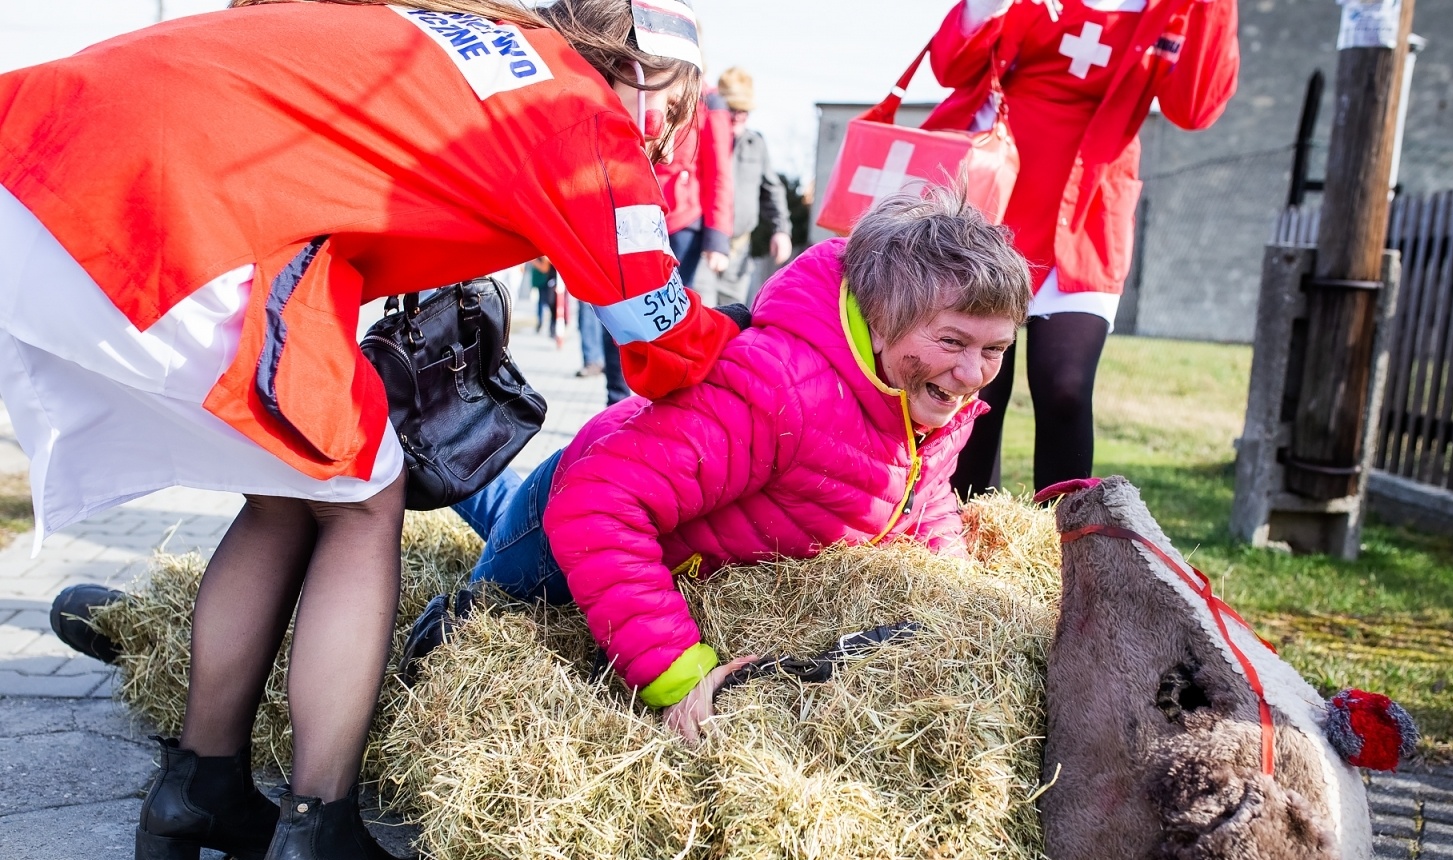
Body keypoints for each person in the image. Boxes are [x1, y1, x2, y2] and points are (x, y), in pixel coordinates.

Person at [8, 0, 739, 860]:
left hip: (52, 148)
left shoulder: (483, 41)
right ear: (648, 71)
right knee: (362, 502)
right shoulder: (577, 113)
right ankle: (319, 835)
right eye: (675, 104)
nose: (669, 130)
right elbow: (660, 333)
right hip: (176, 204)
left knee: (288, 494)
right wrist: (759, 346)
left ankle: (199, 789)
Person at [403, 188, 1031, 744]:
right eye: (952, 341)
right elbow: (595, 506)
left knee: (498, 505)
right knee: (492, 610)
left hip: (660, 521)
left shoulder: (920, 395)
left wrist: (952, 592)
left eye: (995, 349)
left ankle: (456, 467)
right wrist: (677, 674)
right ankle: (415, 450)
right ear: (883, 318)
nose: (974, 374)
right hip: (570, 523)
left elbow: (928, 492)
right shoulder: (784, 390)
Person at [932, 0, 1239, 495]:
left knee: (1066, 387)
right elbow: (951, 65)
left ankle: (1067, 547)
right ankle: (964, 535)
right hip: (994, 209)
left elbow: (1195, 108)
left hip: (1088, 217)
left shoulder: (1171, 9)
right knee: (978, 385)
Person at [600, 77, 735, 404]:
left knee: (665, 316)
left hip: (681, 221)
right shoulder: (636, 81)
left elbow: (718, 170)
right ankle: (616, 399)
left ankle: (659, 400)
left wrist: (718, 236)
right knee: (617, 308)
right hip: (630, 208)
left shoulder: (709, 102)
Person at [692, 67, 794, 308]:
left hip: (739, 254)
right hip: (701, 250)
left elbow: (773, 190)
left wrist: (781, 230)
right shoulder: (699, 138)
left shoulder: (755, 143)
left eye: (745, 111)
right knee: (700, 319)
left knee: (732, 322)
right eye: (733, 109)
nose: (739, 116)